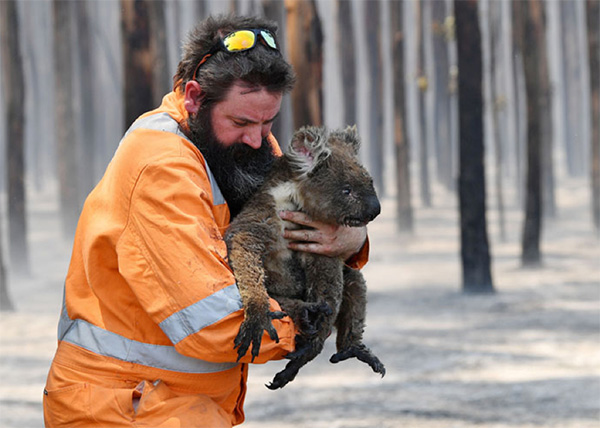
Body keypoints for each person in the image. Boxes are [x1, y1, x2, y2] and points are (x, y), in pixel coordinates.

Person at [43, 14, 369, 428]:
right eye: (242, 122)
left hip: (175, 403)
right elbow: (212, 322)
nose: (259, 138)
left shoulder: (237, 146)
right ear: (195, 98)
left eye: (269, 122)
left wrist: (351, 240)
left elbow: (302, 226)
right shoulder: (161, 168)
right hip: (121, 407)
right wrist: (309, 324)